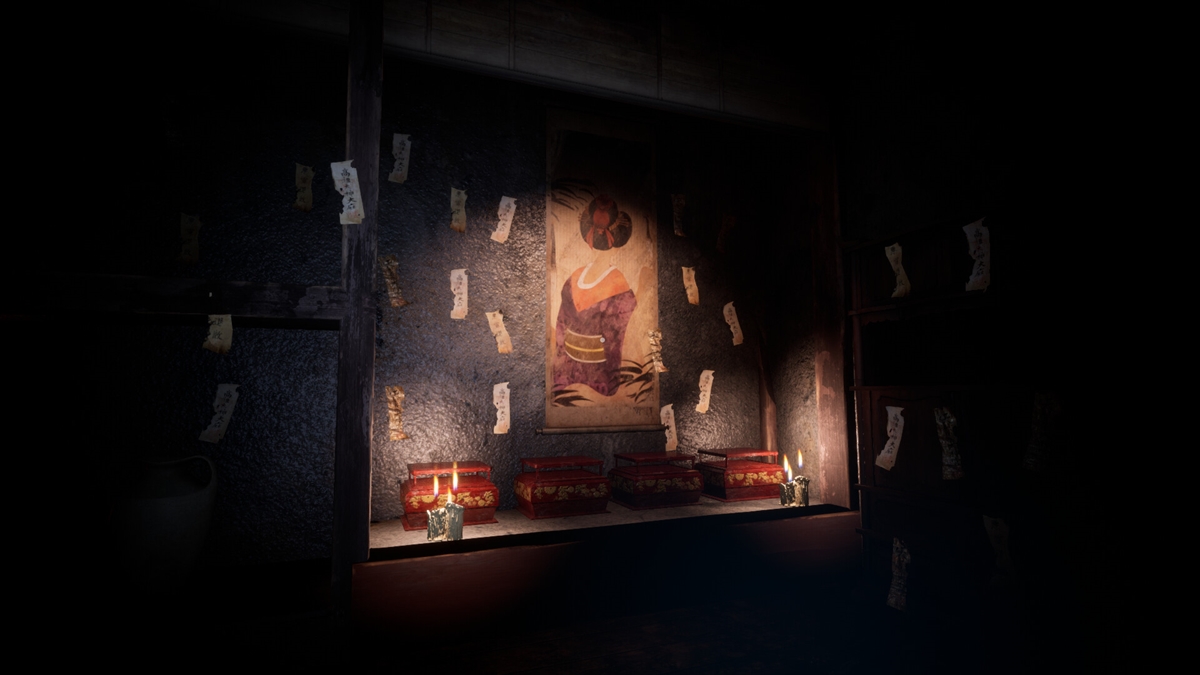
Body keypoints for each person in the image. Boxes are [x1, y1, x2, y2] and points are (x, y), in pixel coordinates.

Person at [552, 195, 636, 399]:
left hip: (597, 373)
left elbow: (615, 339)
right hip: (569, 368)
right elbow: (562, 324)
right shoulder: (576, 276)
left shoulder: (618, 283)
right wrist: (560, 367)